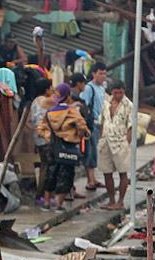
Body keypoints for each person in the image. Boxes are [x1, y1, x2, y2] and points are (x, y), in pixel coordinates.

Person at [38, 83, 89, 212]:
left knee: (51, 172)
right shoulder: (72, 112)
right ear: (69, 95)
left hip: (54, 147)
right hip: (68, 148)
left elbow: (41, 128)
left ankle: (47, 202)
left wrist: (50, 137)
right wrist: (76, 136)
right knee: (65, 175)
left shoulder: (49, 112)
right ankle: (60, 205)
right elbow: (82, 127)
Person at [97, 79, 133, 210]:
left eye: (121, 92)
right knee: (107, 172)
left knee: (123, 173)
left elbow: (131, 126)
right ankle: (111, 200)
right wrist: (101, 138)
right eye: (116, 92)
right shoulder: (106, 103)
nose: (118, 95)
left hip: (120, 142)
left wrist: (126, 143)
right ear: (112, 92)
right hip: (106, 141)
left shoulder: (129, 105)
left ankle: (120, 201)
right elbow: (102, 122)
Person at [27, 78, 56, 202]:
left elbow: (28, 122)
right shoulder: (47, 101)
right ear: (46, 89)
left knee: (44, 165)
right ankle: (45, 195)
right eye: (51, 87)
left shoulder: (34, 102)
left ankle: (41, 195)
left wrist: (35, 129)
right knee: (49, 167)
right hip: (47, 139)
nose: (52, 90)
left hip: (38, 139)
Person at [79, 63, 107, 191]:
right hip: (91, 123)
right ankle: (90, 180)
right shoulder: (89, 88)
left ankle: (94, 178)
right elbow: (84, 105)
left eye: (104, 73)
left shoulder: (101, 88)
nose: (103, 76)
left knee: (95, 151)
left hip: (99, 123)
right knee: (89, 151)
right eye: (100, 73)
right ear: (94, 73)